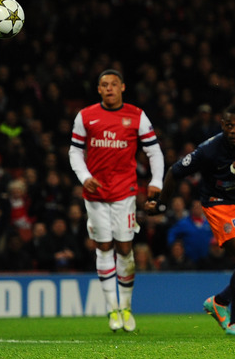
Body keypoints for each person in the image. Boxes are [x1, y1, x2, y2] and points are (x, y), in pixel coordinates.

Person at [146, 103, 235, 336]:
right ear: (222, 125)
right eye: (229, 126)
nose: (234, 130)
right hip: (219, 204)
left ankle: (220, 301)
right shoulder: (209, 150)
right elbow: (174, 172)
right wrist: (162, 205)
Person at [69, 69, 164, 332]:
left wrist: (157, 181)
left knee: (124, 248)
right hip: (95, 194)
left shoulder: (136, 115)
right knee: (103, 247)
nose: (109, 88)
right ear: (98, 89)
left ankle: (126, 307)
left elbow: (154, 151)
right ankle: (112, 309)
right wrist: (84, 176)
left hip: (124, 192)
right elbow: (75, 151)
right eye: (104, 85)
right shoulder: (86, 116)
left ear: (123, 87)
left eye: (113, 84)